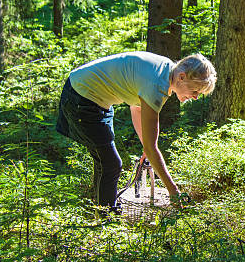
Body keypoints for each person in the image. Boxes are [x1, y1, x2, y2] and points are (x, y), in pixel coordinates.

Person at [56, 51, 216, 214]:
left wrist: (147, 147)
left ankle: (97, 211)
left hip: (94, 99)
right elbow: (152, 147)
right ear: (182, 77)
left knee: (105, 162)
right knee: (111, 164)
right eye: (195, 90)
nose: (195, 97)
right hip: (81, 97)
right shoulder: (156, 85)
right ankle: (106, 220)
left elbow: (137, 108)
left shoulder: (166, 69)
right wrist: (173, 191)